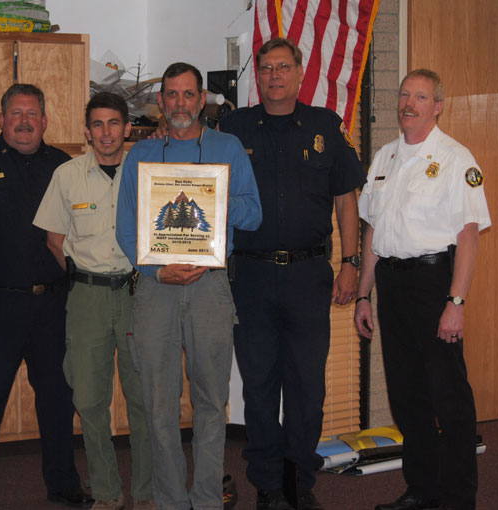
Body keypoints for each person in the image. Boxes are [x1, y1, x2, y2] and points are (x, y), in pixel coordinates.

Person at [219, 37, 365, 510]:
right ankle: (267, 484)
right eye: (266, 69)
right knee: (259, 386)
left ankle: (299, 481)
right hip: (252, 278)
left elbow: (346, 198)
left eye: (283, 67)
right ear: (256, 76)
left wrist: (351, 261)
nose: (274, 76)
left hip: (309, 276)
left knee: (306, 386)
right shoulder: (233, 128)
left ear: (300, 73)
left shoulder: (325, 126)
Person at [0, 83, 93, 510]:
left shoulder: (66, 166)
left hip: (54, 305)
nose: (24, 122)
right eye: (15, 113)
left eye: (32, 114)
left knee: (59, 401)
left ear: (45, 121)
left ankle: (63, 484)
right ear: (1, 119)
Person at [116, 62, 262, 510]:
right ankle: (171, 501)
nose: (180, 103)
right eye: (171, 95)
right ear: (160, 102)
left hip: (210, 288)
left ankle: (206, 499)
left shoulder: (229, 147)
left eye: (188, 94)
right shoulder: (140, 156)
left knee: (211, 403)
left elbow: (253, 215)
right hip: (156, 288)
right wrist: (157, 271)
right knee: (159, 405)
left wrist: (216, 195)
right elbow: (125, 228)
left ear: (202, 100)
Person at [355, 69, 490, 510]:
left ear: (438, 106)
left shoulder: (456, 159)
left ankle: (456, 497)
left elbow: (468, 236)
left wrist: (456, 302)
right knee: (406, 395)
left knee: (448, 397)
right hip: (392, 287)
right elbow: (373, 231)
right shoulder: (385, 158)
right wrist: (363, 294)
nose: (408, 103)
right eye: (404, 94)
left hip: (435, 285)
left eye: (421, 96)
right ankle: (422, 489)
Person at [33, 92, 154, 510]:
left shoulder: (146, 172)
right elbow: (54, 239)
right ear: (87, 131)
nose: (106, 132)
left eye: (114, 123)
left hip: (139, 294)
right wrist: (80, 271)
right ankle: (106, 492)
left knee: (143, 398)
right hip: (87, 296)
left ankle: (145, 493)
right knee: (88, 399)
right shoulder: (67, 175)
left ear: (127, 127)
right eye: (98, 124)